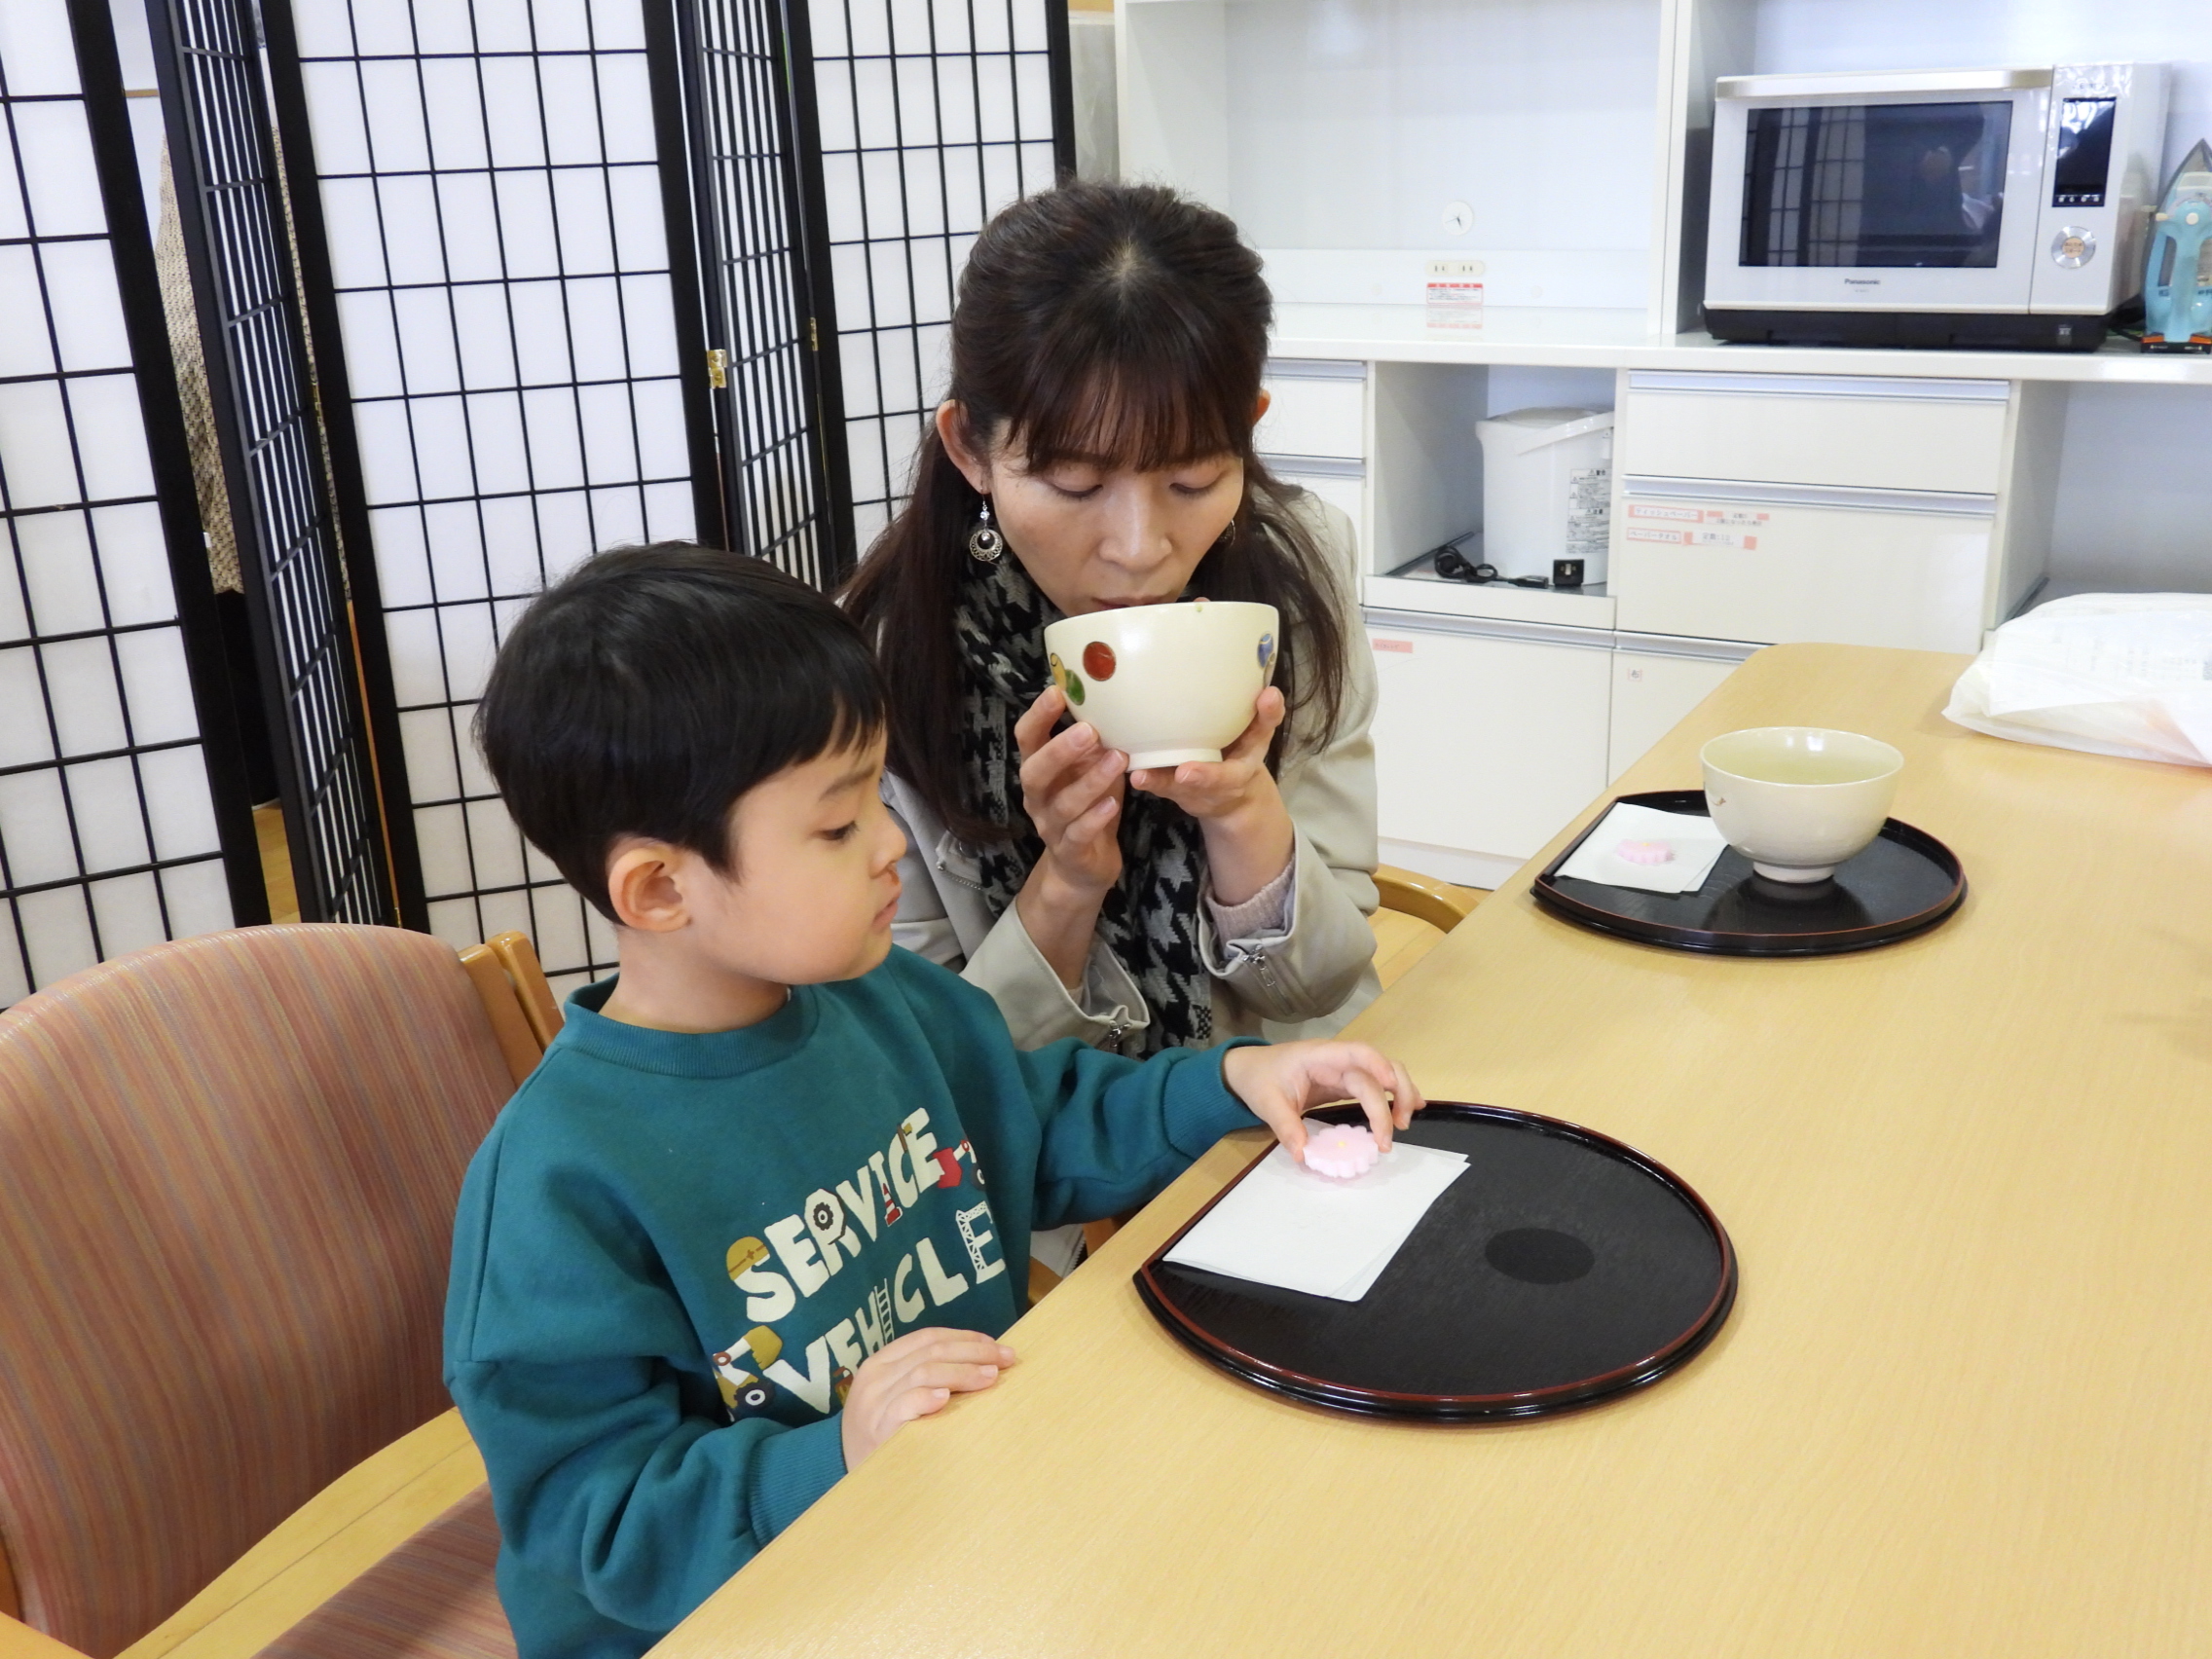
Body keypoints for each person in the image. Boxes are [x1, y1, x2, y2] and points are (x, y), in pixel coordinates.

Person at [446, 544, 1423, 1657]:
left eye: (875, 797)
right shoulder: (559, 1185)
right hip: (751, 1618)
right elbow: (599, 1522)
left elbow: (1036, 1122)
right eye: (836, 826)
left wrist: (1232, 1080)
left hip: (960, 1527)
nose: (887, 849)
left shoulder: (883, 999)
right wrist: (834, 1454)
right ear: (661, 887)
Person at [842, 181, 1381, 1073]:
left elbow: (1322, 989)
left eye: (1193, 482)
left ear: (1247, 433)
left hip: (1270, 1106)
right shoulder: (881, 661)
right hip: (1036, 1150)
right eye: (1077, 487)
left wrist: (1243, 814)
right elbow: (931, 1066)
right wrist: (1066, 881)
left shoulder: (1297, 573)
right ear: (971, 449)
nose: (1138, 550)